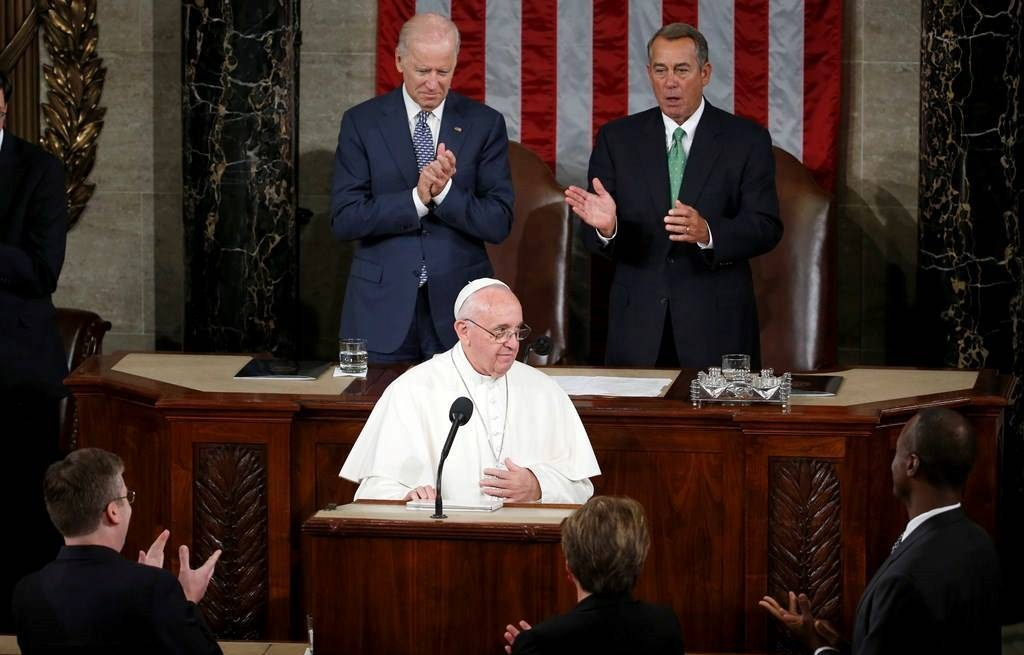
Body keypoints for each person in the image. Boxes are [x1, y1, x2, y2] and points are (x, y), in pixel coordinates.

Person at [566, 23, 782, 369]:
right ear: (649, 73)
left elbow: (766, 226)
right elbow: (592, 237)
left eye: (682, 70)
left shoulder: (746, 140)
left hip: (715, 326)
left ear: (705, 73)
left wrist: (708, 232)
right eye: (660, 70)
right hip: (638, 327)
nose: (670, 82)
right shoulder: (618, 139)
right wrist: (608, 228)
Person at [330, 12, 514, 364]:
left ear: (455, 64)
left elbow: (498, 222)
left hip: (461, 312)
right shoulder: (362, 123)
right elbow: (345, 219)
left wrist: (444, 194)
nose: (432, 83)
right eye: (422, 70)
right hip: (379, 311)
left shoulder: (484, 124)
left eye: (443, 72)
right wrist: (417, 199)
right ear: (399, 61)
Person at [759, 407, 1001, 654]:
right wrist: (838, 644)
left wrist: (817, 646)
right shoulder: (980, 542)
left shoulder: (903, 582)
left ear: (911, 464)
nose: (892, 463)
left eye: (897, 452)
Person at [340, 278, 599, 504]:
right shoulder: (411, 389)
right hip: (442, 538)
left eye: (517, 331)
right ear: (464, 331)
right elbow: (373, 489)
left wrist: (538, 486)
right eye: (500, 332)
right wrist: (406, 498)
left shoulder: (544, 391)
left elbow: (581, 487)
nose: (512, 344)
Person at [12, 448, 223, 654]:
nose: (129, 505)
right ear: (113, 511)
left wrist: (146, 584)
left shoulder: (27, 592)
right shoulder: (154, 588)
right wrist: (186, 601)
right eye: (127, 497)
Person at [0, 69, 69, 631]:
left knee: (21, 511)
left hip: (16, 370)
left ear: (3, 107)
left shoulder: (39, 169)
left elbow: (43, 271)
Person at [502, 496, 684, 654]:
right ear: (639, 561)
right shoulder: (665, 624)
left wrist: (533, 645)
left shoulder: (539, 642)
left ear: (569, 568)